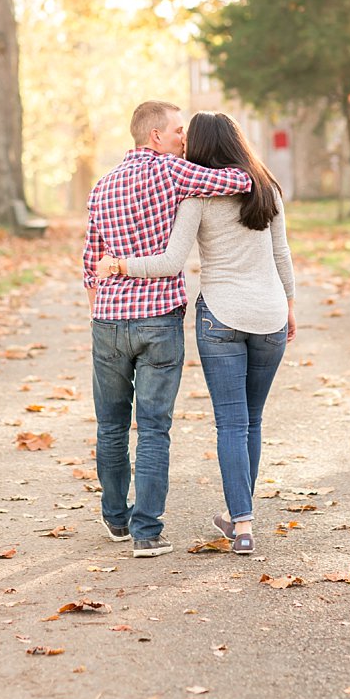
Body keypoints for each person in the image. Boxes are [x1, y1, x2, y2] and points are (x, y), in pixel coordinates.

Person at [95, 111, 296, 557]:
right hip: (271, 316)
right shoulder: (267, 189)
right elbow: (282, 254)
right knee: (253, 421)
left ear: (202, 148)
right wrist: (290, 306)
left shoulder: (197, 197)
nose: (182, 143)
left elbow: (170, 263)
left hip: (222, 318)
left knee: (231, 421)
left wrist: (120, 266)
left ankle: (241, 523)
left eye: (189, 138)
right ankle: (240, 518)